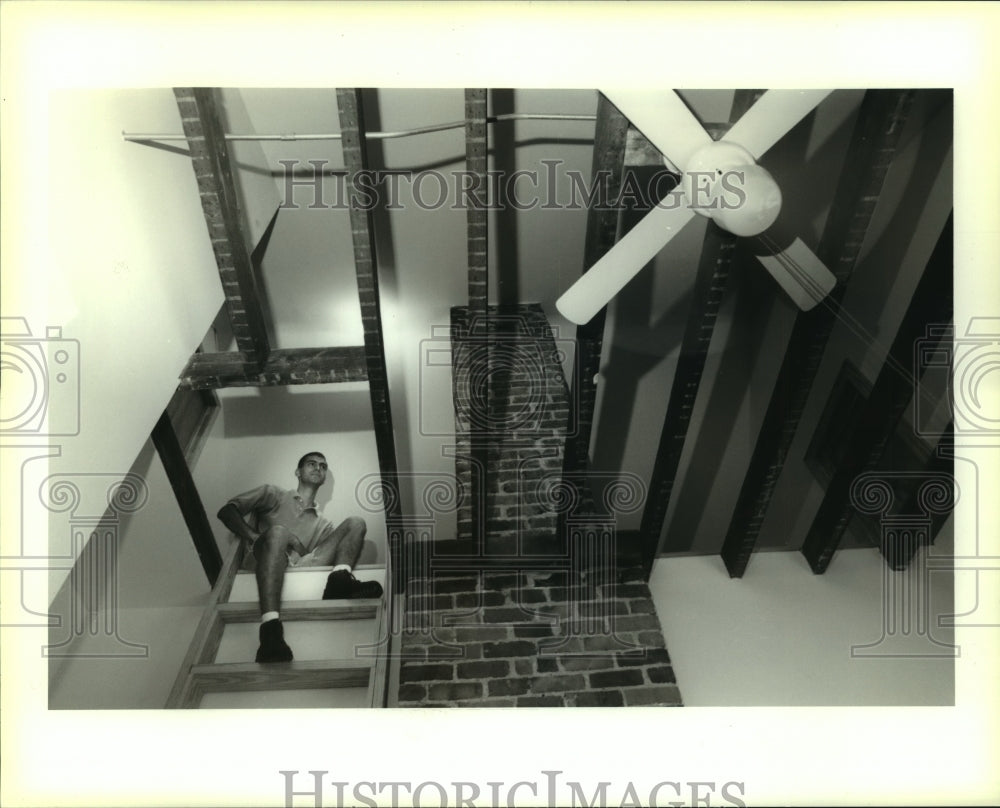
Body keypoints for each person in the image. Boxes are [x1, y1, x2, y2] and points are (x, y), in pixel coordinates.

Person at [217, 451, 383, 663]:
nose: (318, 468)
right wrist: (257, 537)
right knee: (278, 532)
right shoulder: (273, 494)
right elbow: (227, 511)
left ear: (324, 477)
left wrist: (296, 542)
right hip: (262, 559)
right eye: (311, 464)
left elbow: (309, 559)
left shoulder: (323, 525)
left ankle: (340, 580)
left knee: (356, 522)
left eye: (323, 466)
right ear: (298, 472)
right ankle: (270, 628)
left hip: (296, 565)